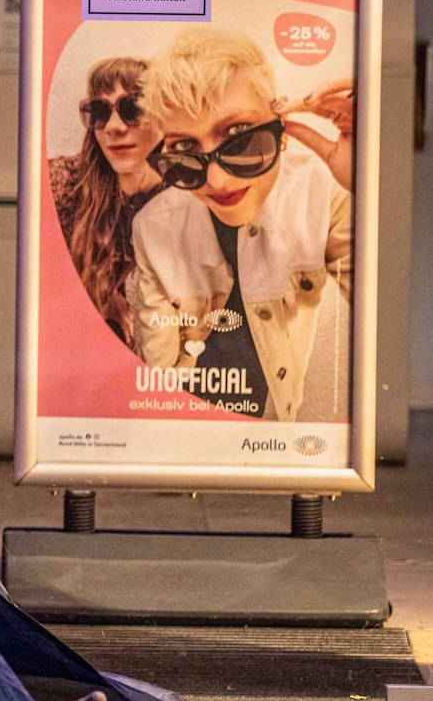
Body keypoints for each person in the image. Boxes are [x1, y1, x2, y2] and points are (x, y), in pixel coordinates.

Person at [130, 29, 352, 423]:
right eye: (185, 151)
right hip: (189, 436)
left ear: (281, 130)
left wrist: (368, 184)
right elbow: (160, 373)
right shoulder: (152, 227)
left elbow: (390, 323)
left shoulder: (326, 194)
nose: (216, 181)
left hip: (276, 440)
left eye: (238, 137)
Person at [49, 56, 160, 346]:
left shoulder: (193, 197)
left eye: (132, 108)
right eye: (98, 111)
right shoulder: (65, 185)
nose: (113, 127)